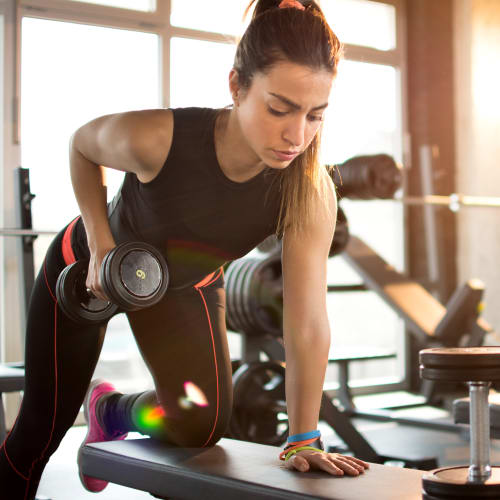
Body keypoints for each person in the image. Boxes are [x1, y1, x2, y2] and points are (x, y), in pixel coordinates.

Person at [0, 0, 370, 497]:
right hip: (90, 269)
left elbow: (305, 321)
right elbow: (82, 145)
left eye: (314, 116)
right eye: (279, 109)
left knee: (202, 424)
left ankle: (111, 409)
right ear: (237, 86)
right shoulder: (161, 137)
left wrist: (303, 439)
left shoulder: (308, 190)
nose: (296, 135)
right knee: (39, 432)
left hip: (182, 285)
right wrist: (102, 244)